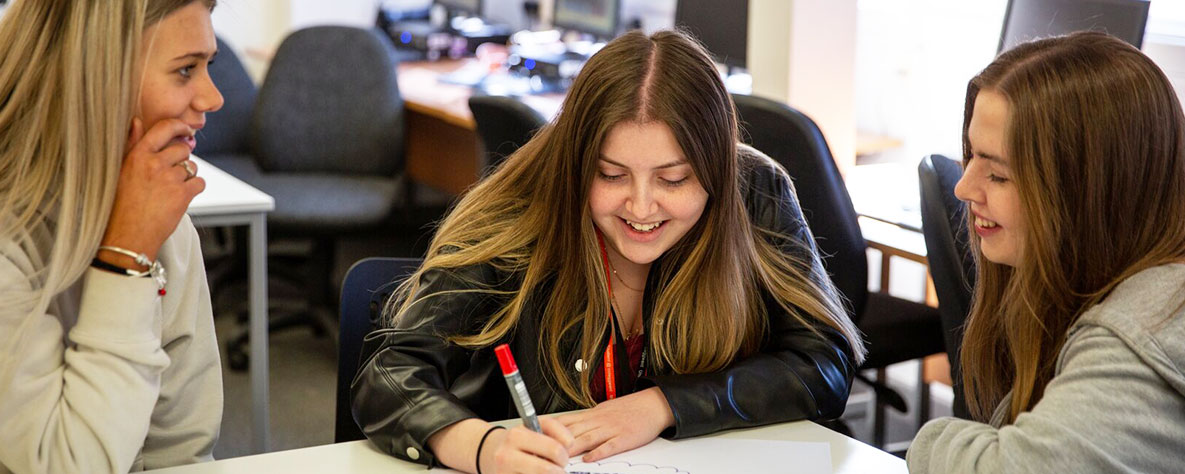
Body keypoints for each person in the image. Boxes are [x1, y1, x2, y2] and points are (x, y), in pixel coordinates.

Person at [352, 30, 866, 474]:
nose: (641, 207)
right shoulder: (516, 212)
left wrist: (664, 405)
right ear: (577, 162)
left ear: (716, 169)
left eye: (674, 179)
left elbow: (823, 363)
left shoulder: (754, 191)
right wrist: (482, 446)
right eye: (611, 175)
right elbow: (389, 374)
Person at [907, 32, 1185, 473]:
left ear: (1087, 193)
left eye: (998, 175)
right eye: (970, 157)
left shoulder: (1141, 328)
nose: (963, 188)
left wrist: (930, 441)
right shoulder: (1094, 286)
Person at [0, 1, 224, 472]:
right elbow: (67, 464)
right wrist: (126, 259)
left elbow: (182, 448)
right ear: (97, 78)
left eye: (209, 65)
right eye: (186, 69)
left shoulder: (167, 225)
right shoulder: (11, 239)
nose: (212, 98)